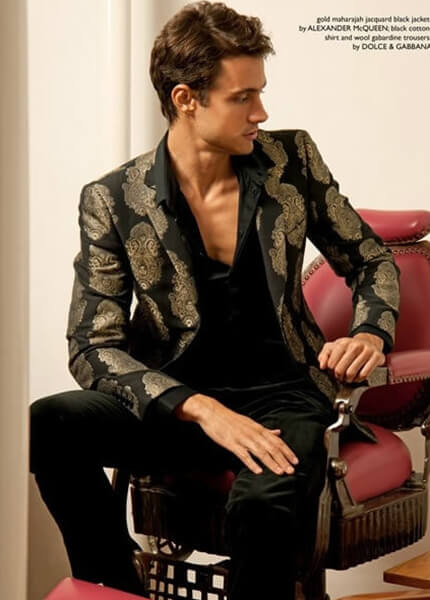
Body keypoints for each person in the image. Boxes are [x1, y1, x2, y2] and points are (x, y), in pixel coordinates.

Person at [30, 2, 400, 598]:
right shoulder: (113, 199)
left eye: (260, 93)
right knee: (48, 423)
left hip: (284, 399)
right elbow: (92, 346)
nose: (261, 112)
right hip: (175, 402)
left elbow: (370, 258)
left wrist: (370, 332)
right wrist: (198, 407)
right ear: (186, 99)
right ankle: (117, 585)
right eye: (242, 97)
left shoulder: (291, 161)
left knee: (263, 505)